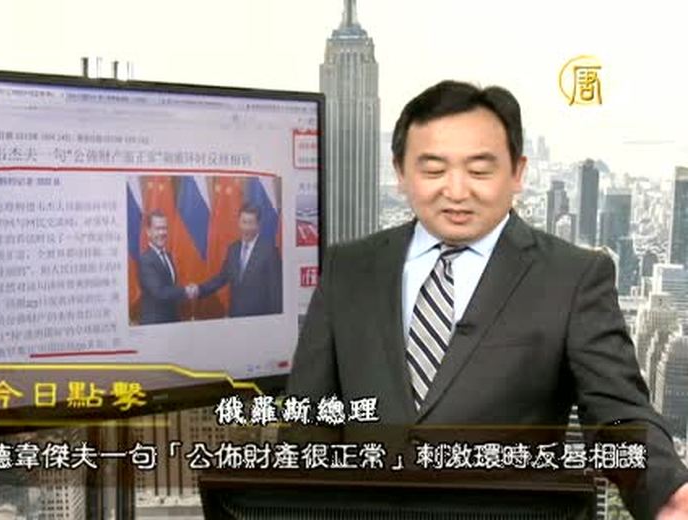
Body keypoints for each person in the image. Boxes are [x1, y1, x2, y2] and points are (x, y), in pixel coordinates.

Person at [286, 80, 688, 519]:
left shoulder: (572, 277)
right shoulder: (348, 269)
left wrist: (667, 494)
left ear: (517, 173)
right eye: (433, 170)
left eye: (479, 171)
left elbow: (618, 413)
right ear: (400, 172)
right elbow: (308, 425)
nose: (457, 191)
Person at [193, 204, 282, 317]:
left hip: (259, 319)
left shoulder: (269, 251)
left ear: (258, 225)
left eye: (250, 223)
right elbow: (222, 278)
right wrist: (198, 290)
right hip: (236, 317)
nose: (246, 228)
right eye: (244, 222)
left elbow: (275, 291)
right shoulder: (233, 249)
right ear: (239, 223)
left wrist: (275, 320)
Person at [138, 209, 195, 324]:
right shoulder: (145, 260)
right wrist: (185, 291)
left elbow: (171, 287)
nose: (162, 233)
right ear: (148, 232)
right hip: (154, 324)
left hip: (171, 322)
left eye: (164, 228)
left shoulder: (168, 256)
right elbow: (159, 292)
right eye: (157, 229)